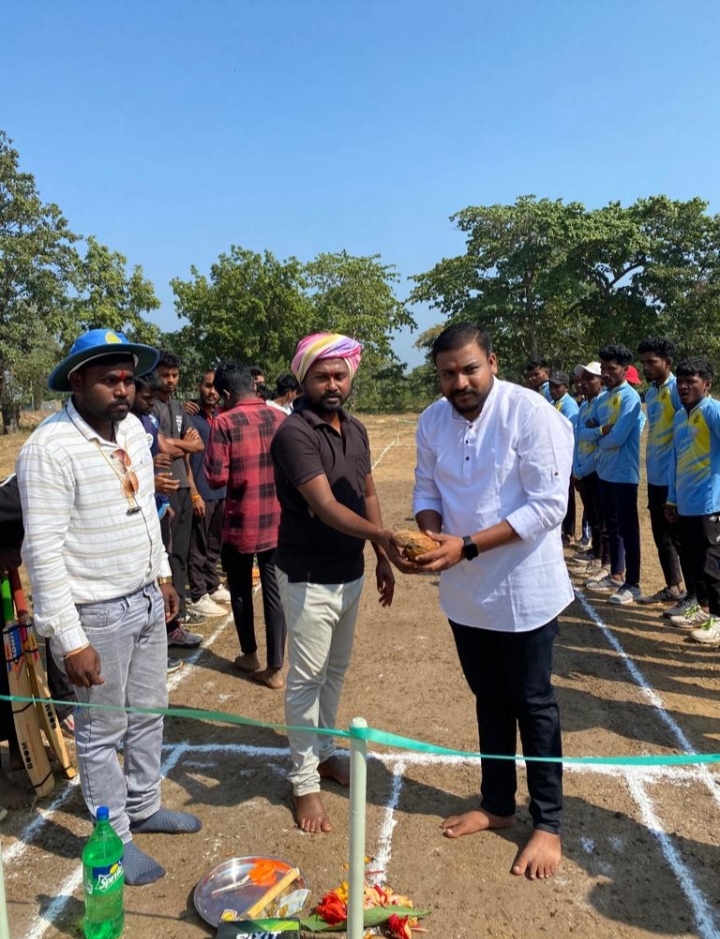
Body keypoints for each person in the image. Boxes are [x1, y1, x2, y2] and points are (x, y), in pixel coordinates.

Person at [16, 329, 201, 886]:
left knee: (149, 712)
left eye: (127, 379)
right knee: (101, 731)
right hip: (94, 612)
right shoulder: (49, 448)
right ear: (77, 382)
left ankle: (144, 805)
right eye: (109, 380)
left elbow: (145, 507)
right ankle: (114, 836)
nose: (123, 389)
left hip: (143, 598)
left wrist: (162, 576)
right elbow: (42, 552)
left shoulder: (135, 432)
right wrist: (70, 639)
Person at [411, 322, 573, 880]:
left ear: (492, 363)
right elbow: (426, 489)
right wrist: (428, 536)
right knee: (489, 698)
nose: (459, 382)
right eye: (447, 373)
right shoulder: (432, 421)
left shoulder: (530, 414)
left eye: (469, 369)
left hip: (525, 591)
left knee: (533, 703)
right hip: (465, 594)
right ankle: (498, 804)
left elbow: (548, 506)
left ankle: (547, 823)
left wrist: (468, 545)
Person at [270, 332, 408, 834]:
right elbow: (326, 507)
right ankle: (303, 781)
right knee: (306, 679)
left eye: (339, 375)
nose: (332, 384)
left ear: (350, 378)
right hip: (309, 576)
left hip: (349, 571)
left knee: (334, 671)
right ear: (303, 378)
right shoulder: (294, 434)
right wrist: (384, 536)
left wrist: (381, 556)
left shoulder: (355, 428)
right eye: (321, 376)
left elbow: (367, 493)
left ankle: (325, 752)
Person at [205, 362, 286, 689]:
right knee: (274, 592)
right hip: (277, 518)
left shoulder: (223, 422)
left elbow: (215, 477)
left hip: (241, 521)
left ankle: (249, 654)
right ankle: (276, 667)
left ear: (226, 394)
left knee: (240, 590)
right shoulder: (280, 417)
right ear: (253, 386)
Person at [153, 351, 211, 642]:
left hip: (184, 489)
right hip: (164, 489)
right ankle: (168, 624)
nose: (170, 380)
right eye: (165, 374)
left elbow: (196, 447)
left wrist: (195, 490)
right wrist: (178, 445)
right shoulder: (149, 407)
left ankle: (179, 616)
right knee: (166, 555)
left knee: (181, 555)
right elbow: (160, 447)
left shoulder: (178, 407)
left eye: (174, 375)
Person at [131, 373, 184, 674]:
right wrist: (151, 477)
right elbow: (123, 479)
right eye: (146, 395)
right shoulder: (124, 427)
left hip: (155, 509)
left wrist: (162, 503)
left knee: (160, 573)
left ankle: (159, 644)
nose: (151, 400)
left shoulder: (147, 421)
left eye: (153, 395)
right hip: (135, 516)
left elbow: (161, 453)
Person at [665, 358, 720, 641]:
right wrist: (672, 498)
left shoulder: (713, 411)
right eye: (681, 382)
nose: (684, 387)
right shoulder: (679, 416)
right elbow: (676, 458)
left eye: (691, 382)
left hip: (710, 503)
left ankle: (718, 619)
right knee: (693, 560)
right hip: (685, 502)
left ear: (706, 384)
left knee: (712, 564)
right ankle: (703, 608)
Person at [584, 344, 643, 605]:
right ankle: (617, 574)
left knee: (628, 529)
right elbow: (585, 431)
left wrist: (598, 435)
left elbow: (618, 437)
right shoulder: (603, 398)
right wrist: (600, 432)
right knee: (612, 525)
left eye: (612, 368)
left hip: (623, 474)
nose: (606, 373)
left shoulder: (630, 398)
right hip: (604, 471)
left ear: (625, 369)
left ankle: (634, 583)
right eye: (604, 368)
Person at [637, 338, 686, 608]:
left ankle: (695, 597)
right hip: (655, 477)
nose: (646, 367)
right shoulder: (652, 392)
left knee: (680, 539)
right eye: (643, 362)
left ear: (667, 362)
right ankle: (673, 587)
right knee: (661, 536)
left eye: (651, 362)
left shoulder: (677, 390)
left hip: (673, 479)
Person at [187, 370, 231, 616]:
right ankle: (198, 594)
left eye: (216, 387)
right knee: (198, 545)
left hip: (221, 490)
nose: (211, 391)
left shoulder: (221, 416)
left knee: (214, 543)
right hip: (201, 491)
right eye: (207, 386)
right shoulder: (190, 417)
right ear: (199, 386)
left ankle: (212, 585)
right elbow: (185, 459)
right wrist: (194, 492)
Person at [570, 363, 609, 577]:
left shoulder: (602, 404)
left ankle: (603, 560)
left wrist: (583, 469)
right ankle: (595, 553)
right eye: (582, 379)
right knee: (592, 515)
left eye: (590, 378)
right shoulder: (585, 405)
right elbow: (579, 438)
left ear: (601, 381)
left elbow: (600, 441)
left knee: (602, 518)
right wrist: (576, 468)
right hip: (582, 469)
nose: (583, 383)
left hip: (595, 470)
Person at [548, 372, 579, 544]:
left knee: (568, 495)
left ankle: (569, 532)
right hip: (555, 456)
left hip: (566, 457)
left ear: (566, 387)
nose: (553, 390)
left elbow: (571, 434)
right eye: (551, 386)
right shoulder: (554, 403)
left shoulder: (569, 405)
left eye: (557, 386)